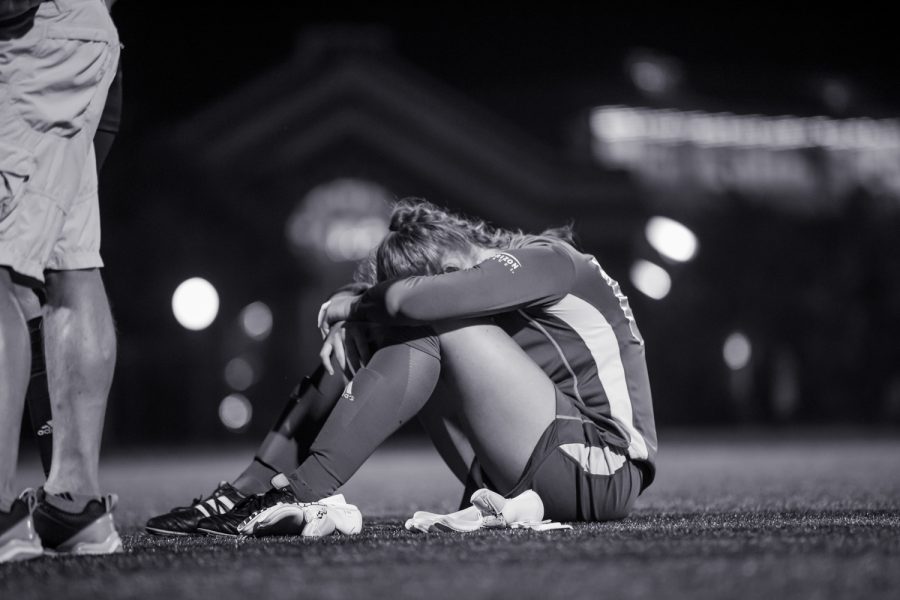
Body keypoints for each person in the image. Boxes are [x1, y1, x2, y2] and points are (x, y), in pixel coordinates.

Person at [148, 198, 657, 537]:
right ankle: (249, 489)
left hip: (602, 467)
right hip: (544, 462)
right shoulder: (494, 277)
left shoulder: (549, 260)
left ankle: (301, 491)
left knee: (419, 325)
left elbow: (426, 303)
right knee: (383, 326)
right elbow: (410, 302)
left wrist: (359, 306)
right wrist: (358, 314)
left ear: (451, 263)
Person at [0, 0, 122, 562]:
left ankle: (3, 514)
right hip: (79, 34)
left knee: (5, 271)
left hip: (27, 35)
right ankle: (75, 507)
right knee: (71, 264)